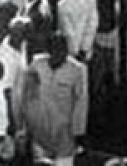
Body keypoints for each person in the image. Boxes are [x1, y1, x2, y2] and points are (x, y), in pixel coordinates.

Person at [19, 34, 87, 166]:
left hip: (63, 131)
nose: (60, 53)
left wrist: (78, 131)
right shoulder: (37, 65)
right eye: (55, 49)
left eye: (63, 49)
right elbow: (27, 92)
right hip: (39, 128)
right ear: (49, 50)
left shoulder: (77, 70)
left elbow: (81, 102)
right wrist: (26, 123)